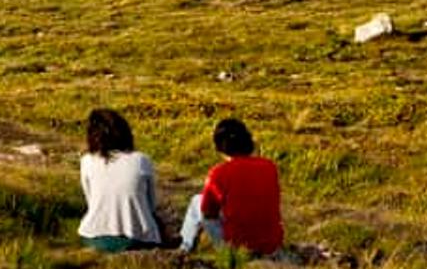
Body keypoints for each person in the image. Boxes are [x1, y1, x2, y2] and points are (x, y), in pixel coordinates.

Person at [179, 117, 284, 256]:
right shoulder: (269, 166)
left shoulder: (218, 173)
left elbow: (208, 213)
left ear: (219, 146)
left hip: (237, 247)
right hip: (272, 244)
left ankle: (184, 250)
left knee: (196, 202)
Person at [77, 108, 164, 252]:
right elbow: (151, 205)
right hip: (139, 239)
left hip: (94, 236)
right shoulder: (142, 160)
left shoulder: (86, 161)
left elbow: (91, 201)